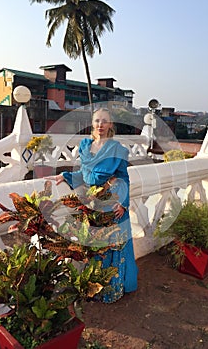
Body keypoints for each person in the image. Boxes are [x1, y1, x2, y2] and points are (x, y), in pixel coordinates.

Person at [49, 108, 138, 303]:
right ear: (92, 123)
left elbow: (123, 177)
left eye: (105, 121)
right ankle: (95, 288)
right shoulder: (85, 146)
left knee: (113, 248)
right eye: (97, 120)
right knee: (97, 247)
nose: (100, 125)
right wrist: (65, 176)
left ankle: (113, 289)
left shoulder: (117, 149)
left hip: (113, 204)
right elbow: (85, 175)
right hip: (93, 204)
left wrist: (123, 204)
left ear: (110, 125)